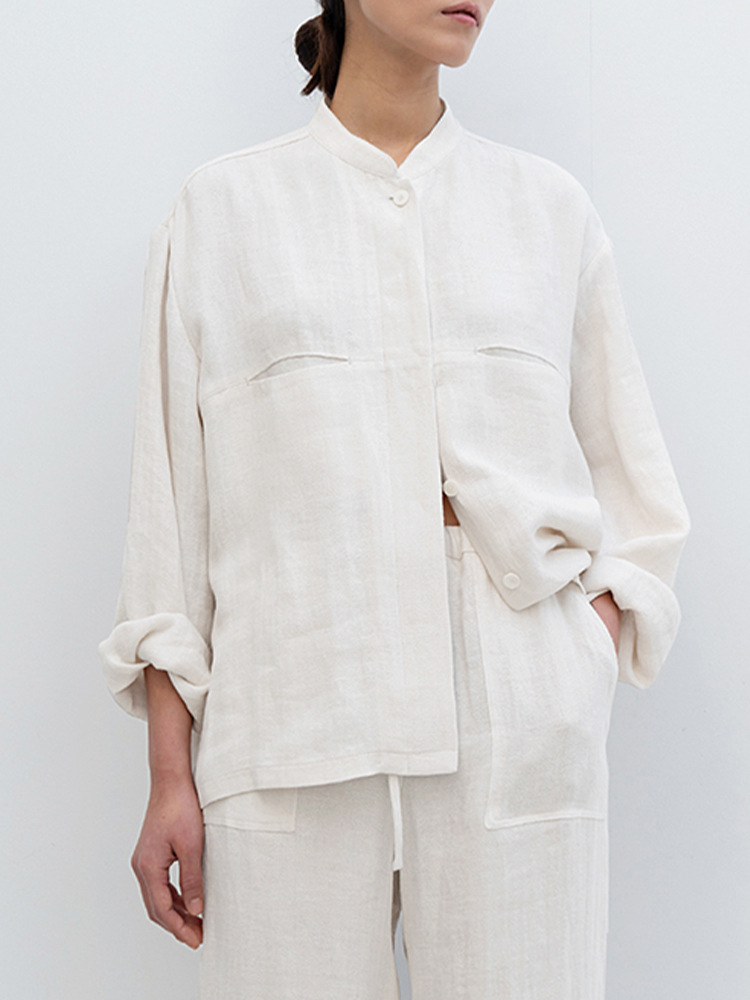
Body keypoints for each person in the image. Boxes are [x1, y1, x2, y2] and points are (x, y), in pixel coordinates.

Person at [98, 2, 690, 997]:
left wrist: (576, 654)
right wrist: (169, 775)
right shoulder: (224, 211)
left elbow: (636, 489)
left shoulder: (545, 209)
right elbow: (171, 511)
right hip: (288, 707)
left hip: (515, 715)